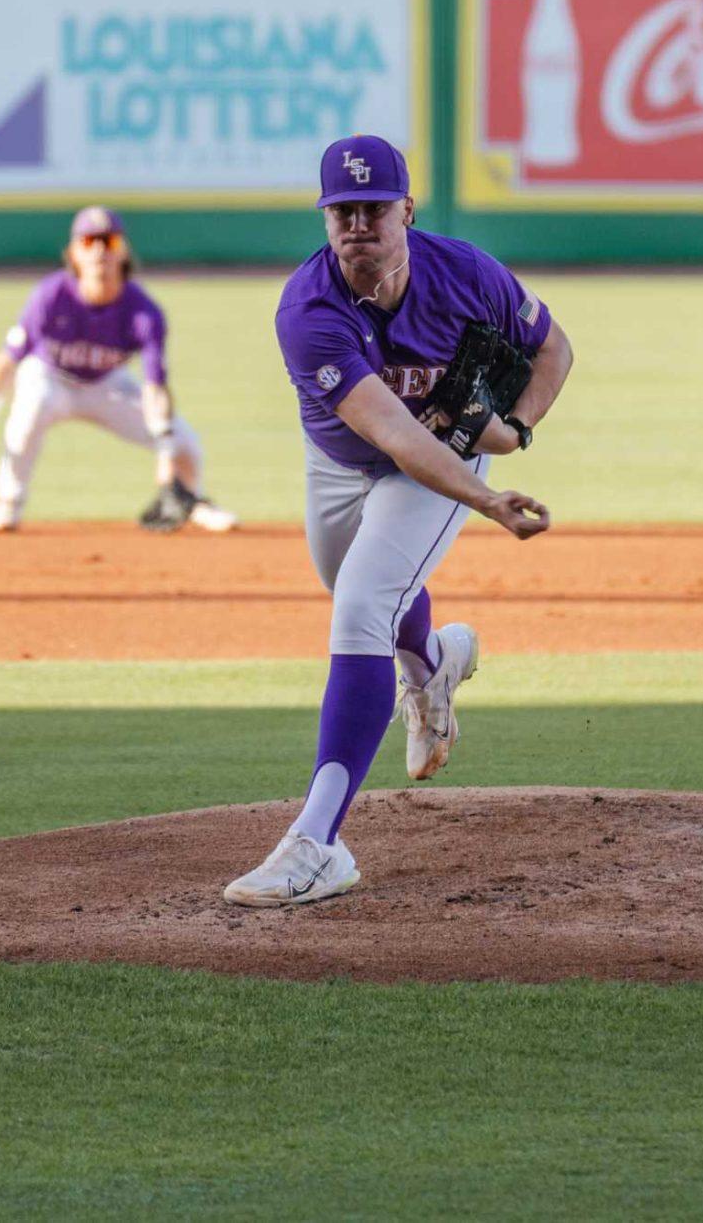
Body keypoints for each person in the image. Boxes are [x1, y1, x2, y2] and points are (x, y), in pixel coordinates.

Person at [222, 134, 573, 908]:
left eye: (373, 208)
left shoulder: (468, 274)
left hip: (443, 462)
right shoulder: (308, 310)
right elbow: (393, 435)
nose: (356, 224)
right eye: (340, 210)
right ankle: (433, 666)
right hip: (350, 464)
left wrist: (516, 429)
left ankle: (318, 843)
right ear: (324, 221)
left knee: (363, 601)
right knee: (359, 589)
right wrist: (488, 502)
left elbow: (552, 347)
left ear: (406, 210)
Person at [0, 207, 239, 536]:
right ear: (74, 252)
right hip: (50, 377)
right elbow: (6, 362)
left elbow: (155, 386)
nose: (100, 250)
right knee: (27, 412)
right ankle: (9, 502)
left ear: (123, 251)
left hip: (106, 384)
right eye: (89, 240)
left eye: (109, 240)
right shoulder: (51, 296)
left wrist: (165, 448)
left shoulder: (143, 312)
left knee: (184, 441)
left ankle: (190, 501)